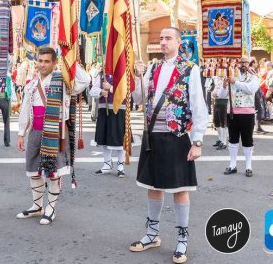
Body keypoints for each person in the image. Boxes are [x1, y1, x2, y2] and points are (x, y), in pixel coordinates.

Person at [130, 27, 208, 264]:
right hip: (152, 135)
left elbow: (198, 104)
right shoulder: (152, 67)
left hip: (176, 137)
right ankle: (152, 234)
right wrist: (138, 76)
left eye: (168, 38)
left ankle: (182, 239)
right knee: (153, 186)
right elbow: (137, 98)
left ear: (178, 42)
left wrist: (197, 141)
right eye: (161, 38)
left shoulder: (190, 69)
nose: (163, 42)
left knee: (180, 189)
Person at [16, 47, 90, 225]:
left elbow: (85, 80)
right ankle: (37, 205)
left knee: (53, 172)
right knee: (33, 170)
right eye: (40, 61)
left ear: (54, 63)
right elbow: (26, 109)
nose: (42, 64)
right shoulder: (31, 85)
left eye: (47, 61)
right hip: (35, 131)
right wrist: (20, 133)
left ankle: (50, 208)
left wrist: (68, 58)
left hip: (55, 132)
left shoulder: (63, 82)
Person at [219, 56, 260, 178]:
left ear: (249, 64)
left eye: (245, 62)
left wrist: (234, 82)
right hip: (232, 112)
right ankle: (232, 165)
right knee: (232, 139)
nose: (242, 64)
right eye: (241, 62)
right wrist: (224, 85)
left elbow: (250, 89)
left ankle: (248, 166)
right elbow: (222, 95)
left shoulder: (254, 77)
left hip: (247, 113)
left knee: (247, 140)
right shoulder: (232, 75)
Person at [89, 69, 130, 178]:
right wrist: (101, 92)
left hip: (119, 109)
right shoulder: (102, 73)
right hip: (104, 109)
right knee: (105, 139)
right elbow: (92, 91)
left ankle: (120, 166)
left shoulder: (123, 71)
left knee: (120, 140)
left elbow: (127, 92)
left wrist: (110, 88)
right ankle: (106, 164)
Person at [0, 70, 16, 147]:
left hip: (5, 98)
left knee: (7, 121)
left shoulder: (8, 77)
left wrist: (10, 96)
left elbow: (11, 87)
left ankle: (7, 141)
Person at [211, 75, 228, 150]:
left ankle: (224, 142)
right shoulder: (217, 77)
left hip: (224, 103)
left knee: (223, 123)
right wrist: (213, 94)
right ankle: (220, 139)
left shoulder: (227, 77)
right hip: (217, 102)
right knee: (216, 122)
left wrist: (217, 94)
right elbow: (214, 89)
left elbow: (225, 92)